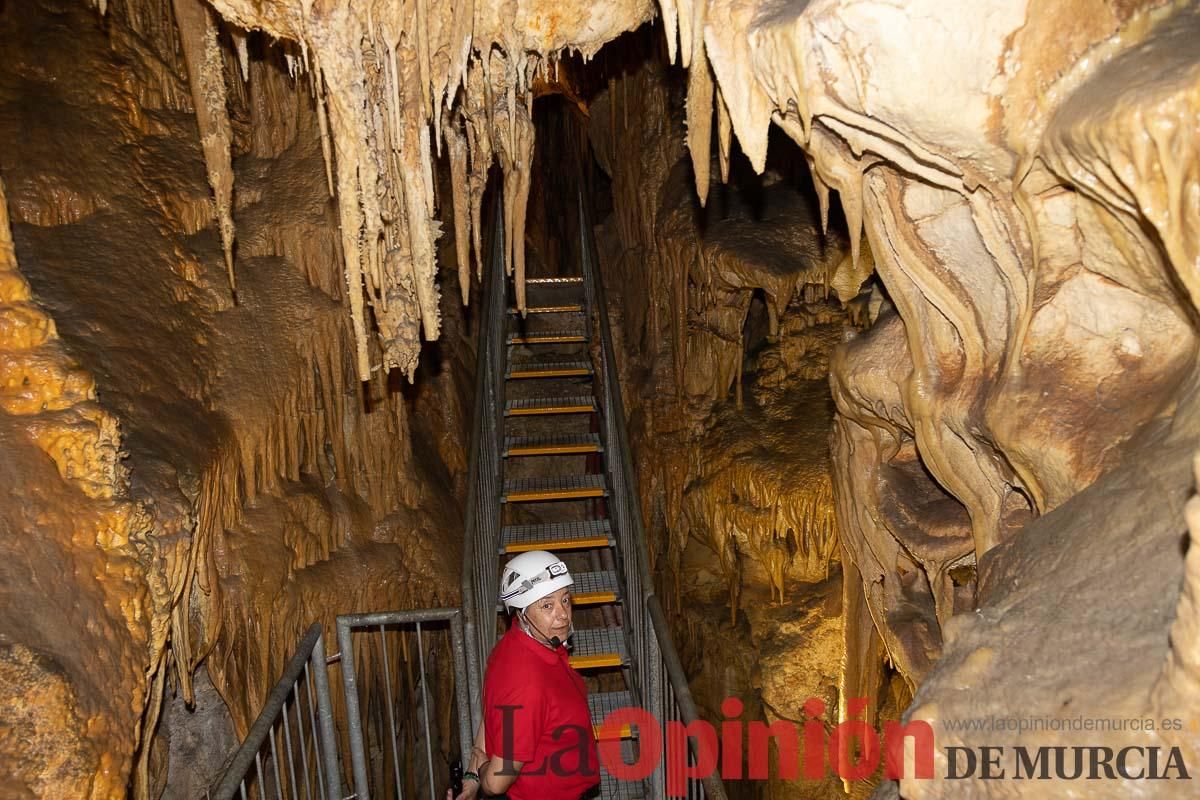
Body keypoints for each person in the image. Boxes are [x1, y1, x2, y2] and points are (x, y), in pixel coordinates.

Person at [450, 550, 600, 799]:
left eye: (565, 599)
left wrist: (471, 776)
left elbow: (494, 716)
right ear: (521, 613)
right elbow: (497, 782)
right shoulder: (527, 682)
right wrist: (484, 771)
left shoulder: (515, 646)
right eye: (547, 605)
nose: (563, 614)